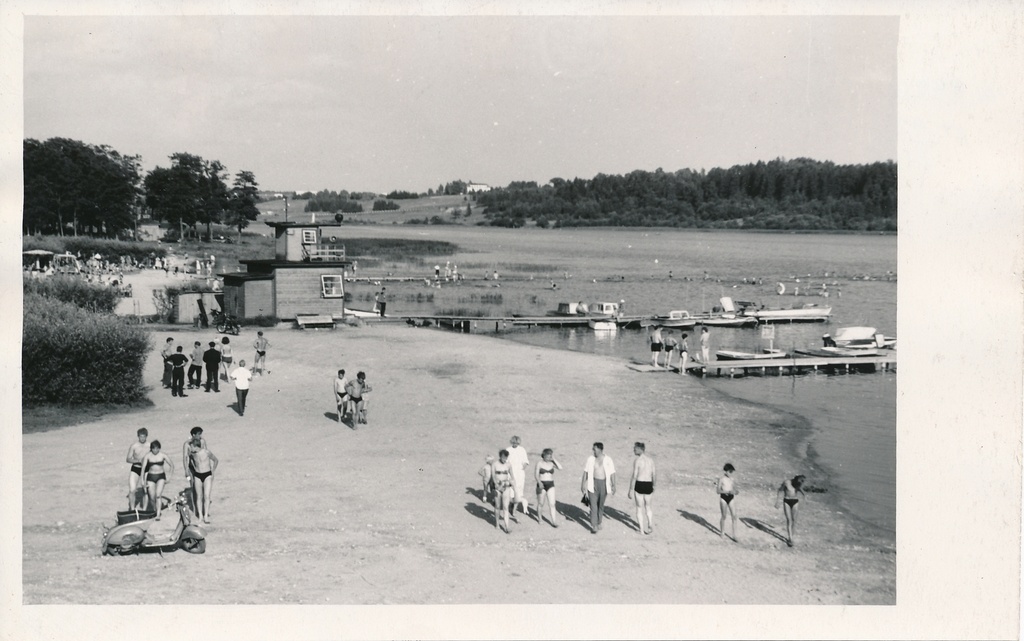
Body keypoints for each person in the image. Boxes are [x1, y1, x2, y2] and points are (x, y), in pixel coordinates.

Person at [580, 442, 616, 533]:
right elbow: (586, 472)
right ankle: (594, 525)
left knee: (600, 505)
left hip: (604, 484)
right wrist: (583, 483)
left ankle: (599, 521)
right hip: (593, 484)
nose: (593, 451)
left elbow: (612, 473)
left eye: (594, 449)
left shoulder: (608, 459)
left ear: (600, 449)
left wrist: (614, 485)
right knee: (593, 506)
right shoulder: (590, 459)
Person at [138, 440, 173, 520]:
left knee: (158, 495)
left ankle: (158, 514)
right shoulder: (148, 456)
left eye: (157, 448)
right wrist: (142, 481)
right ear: (151, 449)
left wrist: (169, 477)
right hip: (151, 476)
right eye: (153, 448)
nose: (155, 450)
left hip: (161, 476)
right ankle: (155, 509)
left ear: (159, 448)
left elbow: (172, 465)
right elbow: (143, 469)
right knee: (152, 497)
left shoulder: (163, 455)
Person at [627, 442, 656, 535]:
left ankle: (642, 530)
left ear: (640, 449)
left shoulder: (638, 461)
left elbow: (634, 475)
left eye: (635, 448)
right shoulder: (650, 460)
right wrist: (654, 485)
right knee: (648, 506)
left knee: (639, 507)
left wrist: (630, 489)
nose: (634, 450)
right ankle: (650, 524)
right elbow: (654, 474)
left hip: (639, 483)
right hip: (648, 484)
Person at [188, 441, 219, 524]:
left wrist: (213, 470)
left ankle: (206, 516)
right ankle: (200, 516)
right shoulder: (192, 454)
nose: (190, 448)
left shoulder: (206, 452)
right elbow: (190, 464)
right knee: (199, 496)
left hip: (207, 475)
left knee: (206, 495)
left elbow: (215, 460)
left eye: (191, 446)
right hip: (197, 475)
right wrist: (192, 472)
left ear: (195, 446)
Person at [775, 474, 807, 547]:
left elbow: (801, 490)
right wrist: (777, 501)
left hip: (795, 501)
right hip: (787, 501)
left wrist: (805, 497)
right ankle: (790, 539)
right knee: (789, 520)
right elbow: (780, 490)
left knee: (794, 520)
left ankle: (791, 536)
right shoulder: (786, 482)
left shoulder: (798, 484)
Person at [534, 448, 563, 528]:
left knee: (552, 503)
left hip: (550, 484)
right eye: (547, 455)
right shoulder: (539, 463)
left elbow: (560, 468)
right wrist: (539, 482)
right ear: (544, 455)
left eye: (550, 455)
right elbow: (536, 474)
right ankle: (540, 518)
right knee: (541, 503)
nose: (549, 457)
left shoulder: (552, 463)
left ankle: (554, 521)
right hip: (542, 484)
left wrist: (554, 459)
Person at [183, 427, 208, 513]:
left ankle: (204, 509)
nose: (200, 436)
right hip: (192, 467)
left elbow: (206, 453)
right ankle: (195, 509)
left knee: (203, 487)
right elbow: (185, 457)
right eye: (199, 434)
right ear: (193, 435)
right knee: (194, 487)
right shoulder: (187, 444)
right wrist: (186, 469)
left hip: (201, 467)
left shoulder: (202, 441)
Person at [506, 436, 530, 521]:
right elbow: (506, 461)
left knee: (518, 492)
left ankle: (514, 509)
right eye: (513, 443)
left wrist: (523, 467)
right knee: (510, 491)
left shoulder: (522, 450)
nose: (515, 444)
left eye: (517, 443)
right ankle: (509, 506)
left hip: (519, 473)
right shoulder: (508, 450)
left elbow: (526, 461)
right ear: (511, 442)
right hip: (510, 473)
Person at [490, 450, 514, 532]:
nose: (505, 459)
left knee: (505, 507)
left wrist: (512, 483)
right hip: (497, 486)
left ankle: (507, 526)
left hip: (506, 486)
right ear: (500, 456)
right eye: (503, 458)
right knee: (497, 506)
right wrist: (495, 484)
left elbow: (512, 476)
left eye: (506, 458)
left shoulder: (508, 464)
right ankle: (497, 523)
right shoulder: (495, 464)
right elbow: (493, 475)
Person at [125, 428, 149, 509]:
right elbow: (128, 459)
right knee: (132, 490)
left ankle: (145, 510)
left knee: (145, 490)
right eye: (141, 437)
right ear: (138, 436)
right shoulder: (134, 446)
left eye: (144, 437)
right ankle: (132, 509)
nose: (142, 438)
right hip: (136, 468)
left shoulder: (149, 445)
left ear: (146, 436)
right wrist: (138, 460)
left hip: (146, 469)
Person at [717, 463, 739, 542]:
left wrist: (734, 492)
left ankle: (734, 535)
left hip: (731, 498)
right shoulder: (721, 479)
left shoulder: (732, 479)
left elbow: (737, 490)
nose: (731, 473)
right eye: (730, 471)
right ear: (725, 471)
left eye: (731, 471)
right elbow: (718, 491)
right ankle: (722, 532)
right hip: (723, 498)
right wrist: (726, 491)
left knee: (734, 516)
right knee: (724, 516)